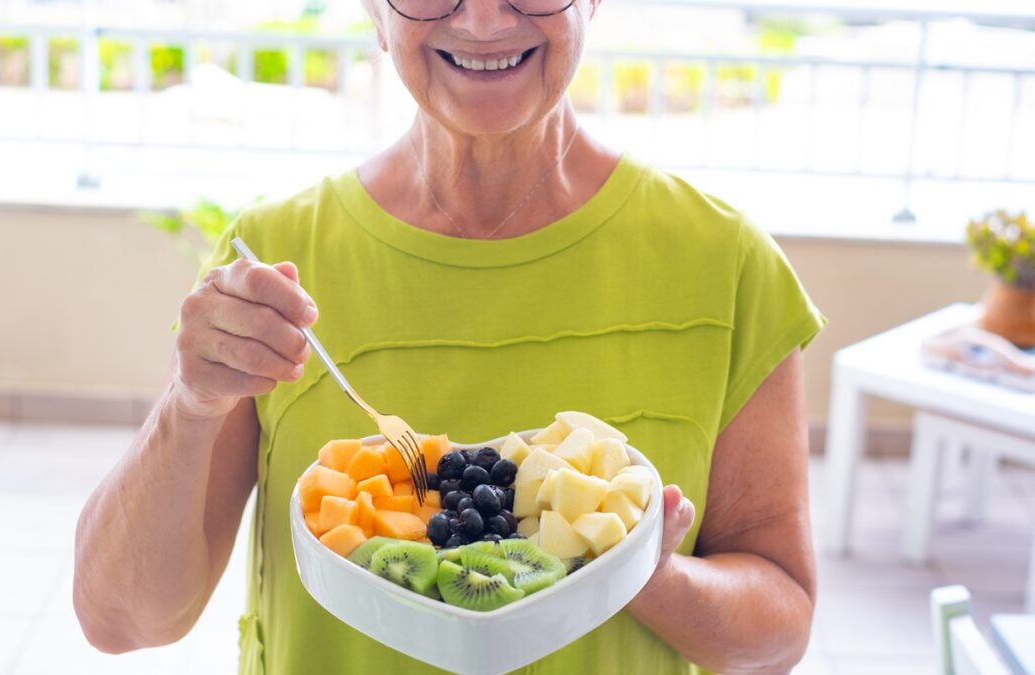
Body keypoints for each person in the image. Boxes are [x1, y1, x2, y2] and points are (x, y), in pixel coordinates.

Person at [74, 0, 826, 672]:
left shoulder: (723, 264)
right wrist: (191, 403)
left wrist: (632, 568)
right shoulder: (278, 259)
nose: (485, 20)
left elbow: (777, 634)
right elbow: (121, 618)